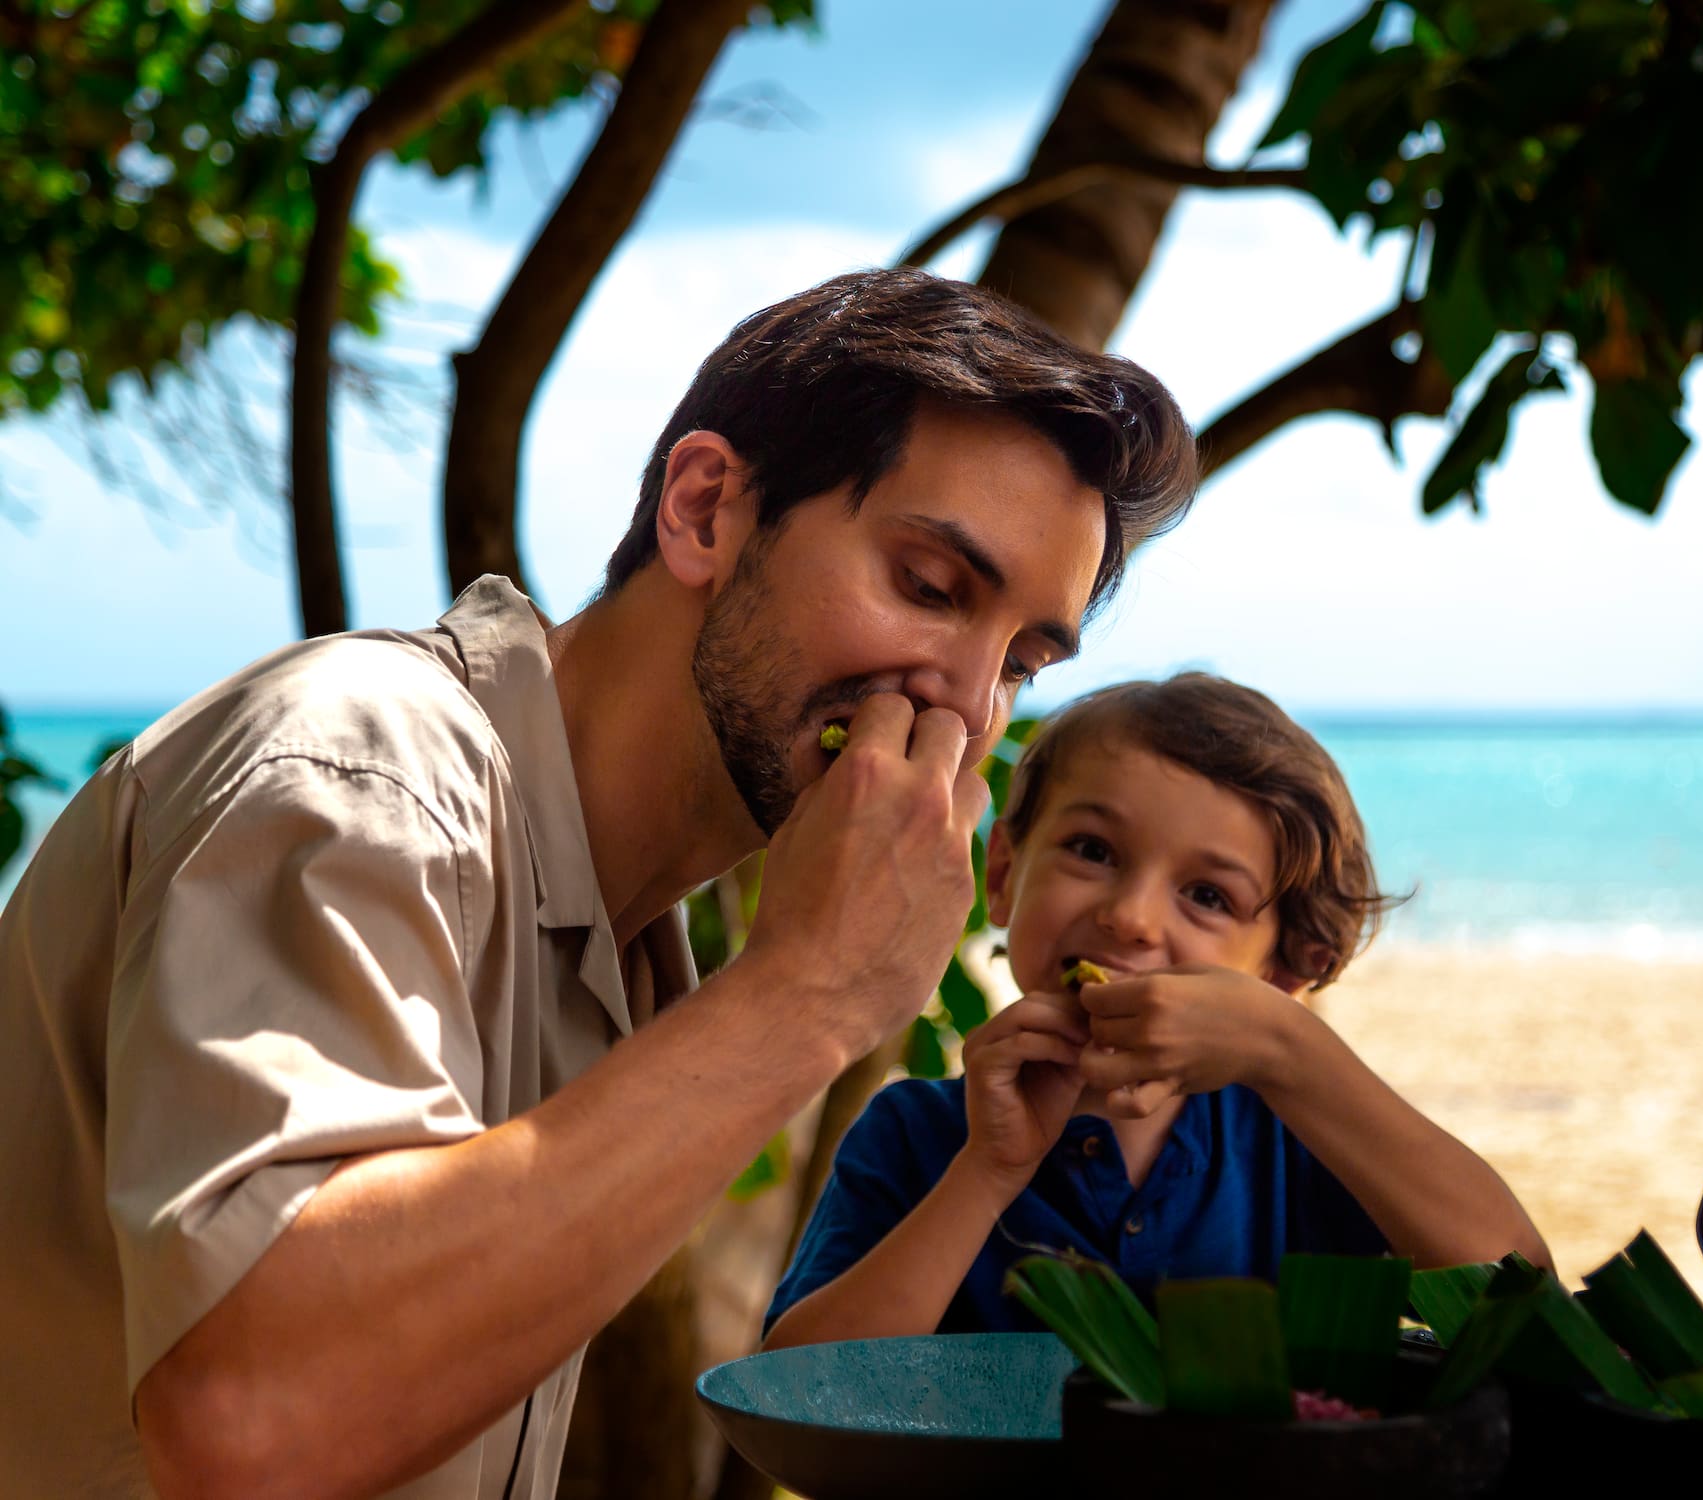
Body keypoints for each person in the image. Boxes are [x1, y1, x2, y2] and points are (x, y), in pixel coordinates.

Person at [0, 268, 1198, 1499]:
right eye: (930, 590)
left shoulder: (620, 938)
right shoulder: (368, 766)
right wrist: (807, 993)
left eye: (1020, 663)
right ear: (704, 508)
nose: (963, 698)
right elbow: (254, 1421)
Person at [763, 674, 1551, 1347]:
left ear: (1280, 974)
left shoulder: (1296, 1143)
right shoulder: (915, 1136)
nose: (1132, 917)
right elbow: (792, 1396)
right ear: (1003, 871)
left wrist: (1291, 1053)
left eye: (1207, 896)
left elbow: (1518, 1301)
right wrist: (988, 1173)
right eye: (1092, 851)